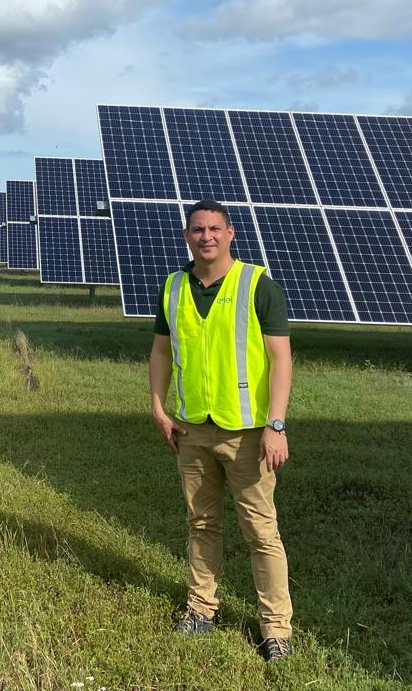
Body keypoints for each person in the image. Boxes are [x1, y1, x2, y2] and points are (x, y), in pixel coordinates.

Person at [148, 198, 294, 662]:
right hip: (192, 431)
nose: (206, 236)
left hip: (249, 434)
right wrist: (158, 407)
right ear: (187, 236)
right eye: (197, 229)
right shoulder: (172, 288)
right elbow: (160, 352)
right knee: (201, 523)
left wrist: (276, 424)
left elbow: (281, 358)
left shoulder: (257, 284)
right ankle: (201, 609)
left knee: (261, 533)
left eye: (214, 228)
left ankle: (275, 629)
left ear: (231, 234)